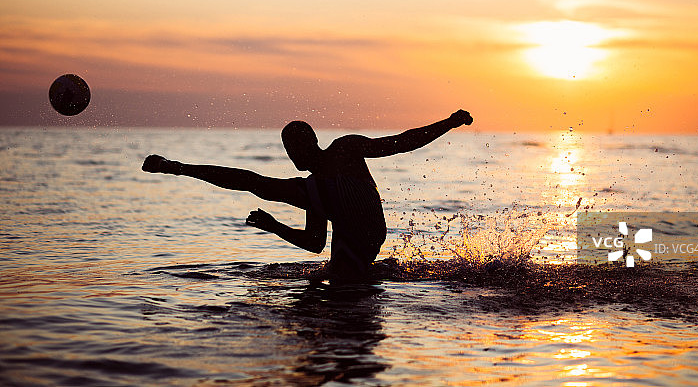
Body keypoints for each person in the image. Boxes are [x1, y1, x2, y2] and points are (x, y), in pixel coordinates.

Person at [142, 109, 473, 281]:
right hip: (358, 257)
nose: (290, 155)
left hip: (352, 260)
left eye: (290, 148)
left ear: (304, 145)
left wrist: (448, 123)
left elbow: (400, 142)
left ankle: (179, 168)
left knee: (255, 183)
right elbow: (315, 243)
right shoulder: (319, 187)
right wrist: (275, 228)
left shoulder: (343, 153)